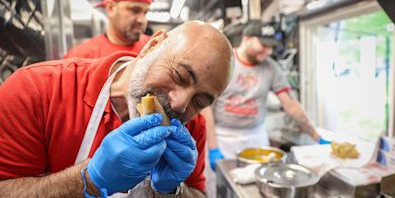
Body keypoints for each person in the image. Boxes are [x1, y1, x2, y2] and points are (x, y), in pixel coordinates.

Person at [0, 21, 233, 197]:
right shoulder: (38, 90)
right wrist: (88, 179)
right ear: (151, 47)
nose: (180, 104)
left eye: (200, 102)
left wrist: (173, 190)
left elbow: (198, 192)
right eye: (178, 75)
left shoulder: (193, 126)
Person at [203, 20, 327, 171]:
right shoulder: (223, 61)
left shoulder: (271, 68)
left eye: (271, 46)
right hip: (223, 137)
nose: (268, 51)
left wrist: (316, 136)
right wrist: (213, 147)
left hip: (256, 138)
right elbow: (206, 106)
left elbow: (291, 105)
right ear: (247, 39)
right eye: (263, 45)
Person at [64, 0, 152, 59]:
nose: (142, 20)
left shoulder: (154, 48)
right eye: (135, 10)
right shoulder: (81, 57)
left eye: (145, 12)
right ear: (110, 8)